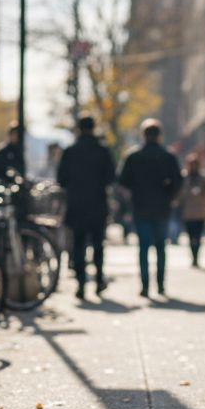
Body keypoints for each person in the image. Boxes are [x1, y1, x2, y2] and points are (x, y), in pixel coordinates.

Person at [117, 119, 182, 297]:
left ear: (143, 135)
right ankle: (161, 285)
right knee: (161, 247)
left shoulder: (133, 156)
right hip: (162, 208)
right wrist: (169, 196)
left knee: (143, 248)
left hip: (140, 207)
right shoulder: (168, 156)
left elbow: (122, 181)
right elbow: (178, 180)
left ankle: (145, 285)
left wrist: (134, 194)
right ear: (159, 135)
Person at [57, 116, 116, 299]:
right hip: (97, 204)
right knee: (98, 244)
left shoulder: (70, 151)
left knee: (78, 245)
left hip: (76, 205)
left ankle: (81, 283)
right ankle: (99, 280)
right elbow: (111, 177)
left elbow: (62, 179)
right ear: (94, 127)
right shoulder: (102, 151)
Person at [179, 154, 205, 267]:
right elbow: (180, 194)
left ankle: (196, 257)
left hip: (200, 212)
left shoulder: (203, 177)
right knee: (190, 236)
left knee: (197, 236)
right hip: (188, 213)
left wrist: (201, 196)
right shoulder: (184, 177)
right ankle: (193, 256)